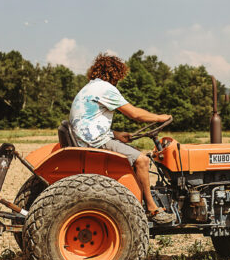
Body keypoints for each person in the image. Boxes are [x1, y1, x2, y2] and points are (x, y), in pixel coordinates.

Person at [69, 53, 174, 224]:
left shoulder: (90, 87)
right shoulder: (105, 88)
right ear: (115, 74)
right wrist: (160, 117)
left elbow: (90, 120)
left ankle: (138, 199)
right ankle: (152, 209)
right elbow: (135, 114)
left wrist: (115, 135)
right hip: (95, 142)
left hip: (88, 138)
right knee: (142, 161)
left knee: (136, 155)